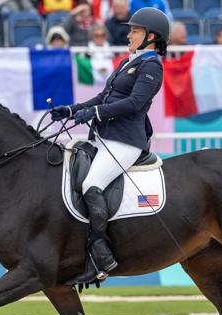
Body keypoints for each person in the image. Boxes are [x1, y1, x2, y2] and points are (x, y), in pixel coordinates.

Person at [50, 7, 168, 285]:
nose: (128, 35)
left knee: (92, 184)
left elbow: (135, 103)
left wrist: (96, 114)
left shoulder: (151, 66)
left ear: (151, 36)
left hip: (125, 140)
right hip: (104, 137)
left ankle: (100, 256)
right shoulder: (129, 62)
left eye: (135, 31)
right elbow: (104, 96)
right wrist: (71, 110)